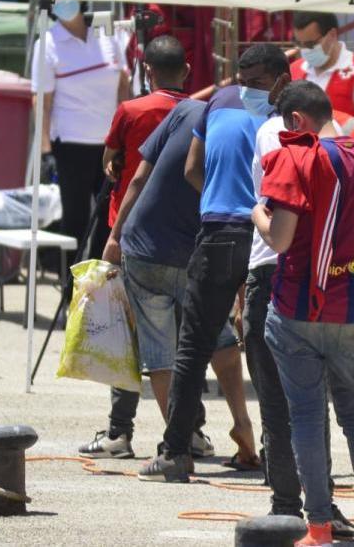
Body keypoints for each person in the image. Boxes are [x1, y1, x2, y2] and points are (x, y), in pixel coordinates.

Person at [77, 36, 258, 467]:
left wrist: (114, 237)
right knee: (220, 340)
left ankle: (183, 442)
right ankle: (243, 427)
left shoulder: (185, 112)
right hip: (201, 248)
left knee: (161, 353)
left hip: (148, 246)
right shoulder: (254, 134)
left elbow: (136, 179)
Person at [252, 80, 354, 547]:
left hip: (295, 309)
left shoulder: (294, 159)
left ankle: (318, 528)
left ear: (296, 121)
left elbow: (279, 239)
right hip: (350, 309)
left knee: (308, 418)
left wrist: (256, 211)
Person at [138, 44, 288, 482]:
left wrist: (217, 200)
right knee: (264, 350)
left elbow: (191, 168)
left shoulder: (218, 100)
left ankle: (175, 453)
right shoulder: (289, 114)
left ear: (281, 77)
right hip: (265, 237)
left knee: (194, 346)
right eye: (246, 82)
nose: (248, 91)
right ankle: (277, 460)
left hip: (220, 233)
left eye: (255, 83)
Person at [243, 91, 354, 537]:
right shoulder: (346, 145)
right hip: (324, 279)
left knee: (281, 401)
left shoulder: (279, 135)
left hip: (280, 272)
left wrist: (254, 213)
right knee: (318, 405)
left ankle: (292, 504)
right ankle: (322, 506)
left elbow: (279, 230)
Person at [31, 0, 130, 263]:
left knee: (109, 219)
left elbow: (123, 87)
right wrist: (45, 151)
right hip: (71, 145)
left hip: (109, 146)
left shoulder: (108, 36)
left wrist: (125, 136)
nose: (66, 3)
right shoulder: (48, 44)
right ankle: (69, 292)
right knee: (75, 221)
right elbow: (42, 102)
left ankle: (94, 288)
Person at [290, 12, 354, 136]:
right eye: (299, 44)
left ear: (332, 35)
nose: (305, 50)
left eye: (311, 44)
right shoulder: (294, 70)